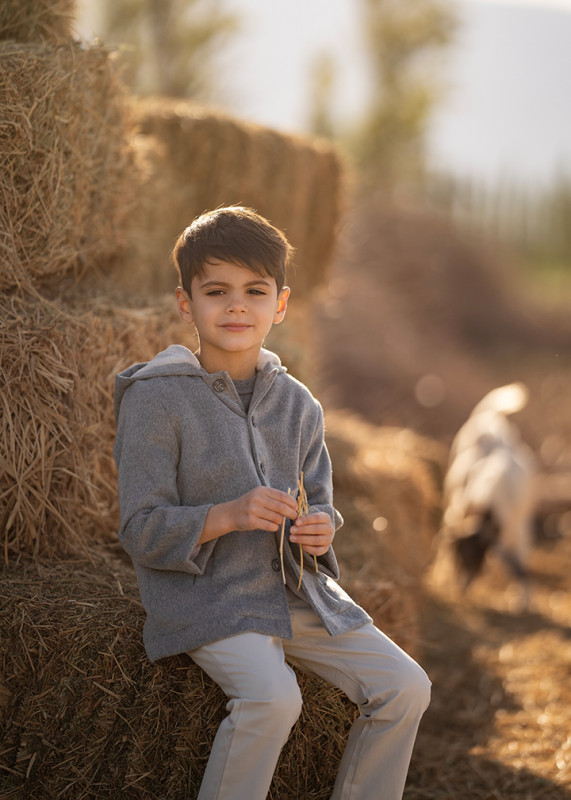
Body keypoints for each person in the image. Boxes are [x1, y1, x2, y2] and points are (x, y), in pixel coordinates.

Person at [113, 206, 431, 800]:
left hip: (292, 591)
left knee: (407, 687)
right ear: (186, 303)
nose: (237, 306)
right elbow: (140, 527)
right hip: (208, 597)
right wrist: (227, 515)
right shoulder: (156, 400)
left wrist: (319, 531)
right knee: (273, 697)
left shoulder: (300, 404)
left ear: (280, 304)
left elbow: (320, 503)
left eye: (255, 291)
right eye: (217, 291)